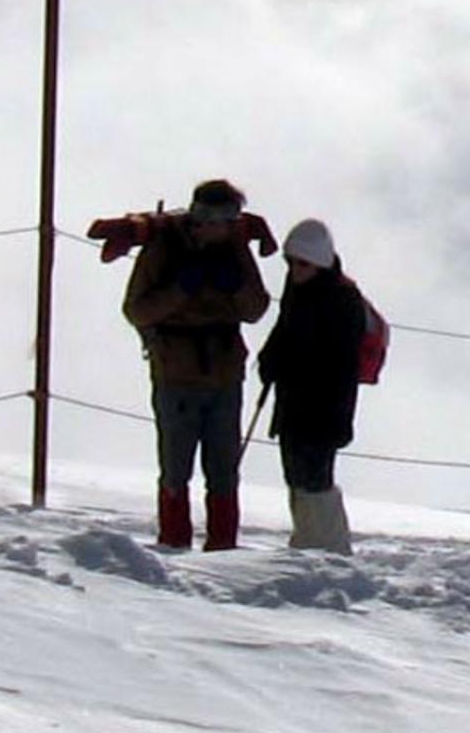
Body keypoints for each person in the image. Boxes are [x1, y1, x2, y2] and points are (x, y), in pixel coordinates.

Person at [122, 177, 271, 551]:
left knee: (224, 471)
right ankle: (173, 545)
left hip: (223, 374)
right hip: (176, 374)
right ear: (201, 218)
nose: (227, 227)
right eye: (222, 219)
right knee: (176, 469)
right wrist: (180, 291)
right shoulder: (164, 247)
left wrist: (234, 284)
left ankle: (222, 551)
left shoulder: (235, 249)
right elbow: (136, 310)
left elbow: (256, 309)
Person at [256, 218, 367, 551]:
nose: (294, 269)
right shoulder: (299, 290)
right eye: (290, 262)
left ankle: (331, 548)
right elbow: (283, 330)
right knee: (296, 477)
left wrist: (339, 418)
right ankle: (307, 542)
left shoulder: (343, 299)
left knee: (316, 481)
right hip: (293, 403)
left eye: (301, 263)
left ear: (319, 261)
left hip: (323, 409)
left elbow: (343, 366)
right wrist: (270, 359)